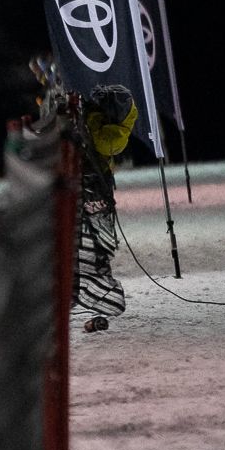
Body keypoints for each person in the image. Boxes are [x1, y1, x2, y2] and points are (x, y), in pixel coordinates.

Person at [76, 82, 137, 332]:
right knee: (92, 239)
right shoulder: (99, 119)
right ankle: (90, 287)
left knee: (95, 239)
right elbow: (105, 145)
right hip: (93, 183)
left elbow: (107, 145)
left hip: (96, 183)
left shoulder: (107, 123)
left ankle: (92, 285)